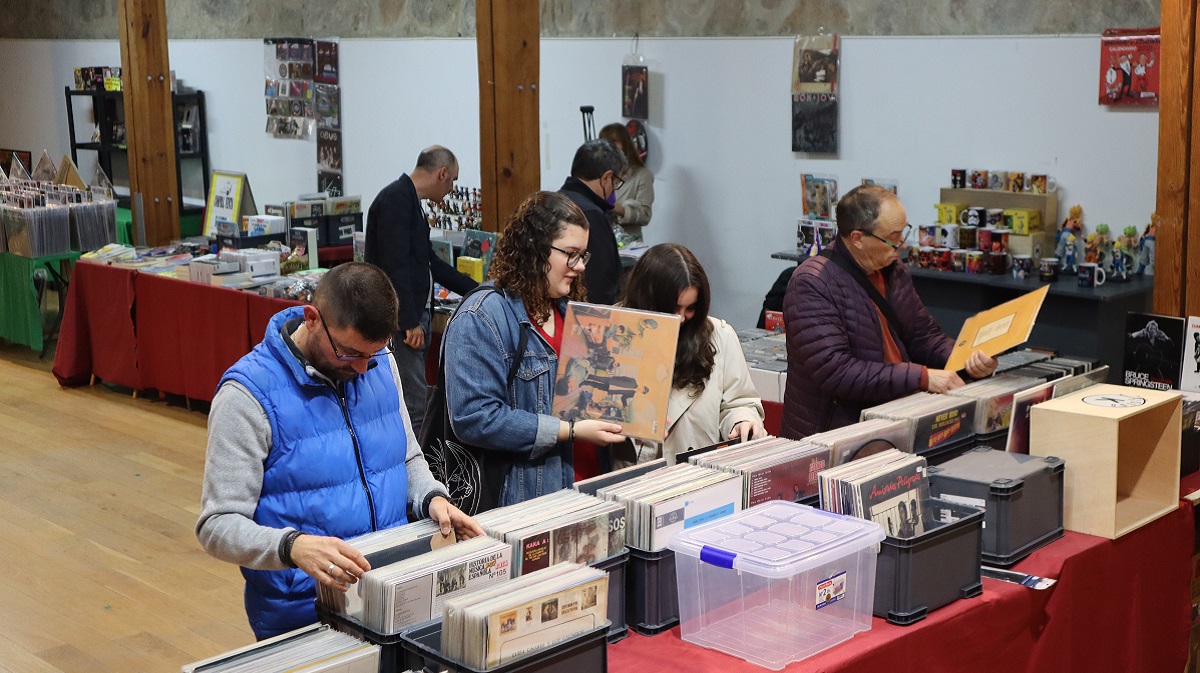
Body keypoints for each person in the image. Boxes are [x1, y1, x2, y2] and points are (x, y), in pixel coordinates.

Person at [196, 262, 482, 640]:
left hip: (392, 592)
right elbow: (217, 525)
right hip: (304, 610)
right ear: (312, 319)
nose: (363, 368)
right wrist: (292, 547)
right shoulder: (247, 396)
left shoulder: (381, 363)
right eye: (349, 353)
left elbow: (407, 456)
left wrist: (431, 498)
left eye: (373, 354)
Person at [442, 191, 626, 506]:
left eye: (583, 255)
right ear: (535, 248)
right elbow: (475, 418)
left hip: (588, 488)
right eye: (571, 254)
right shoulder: (482, 316)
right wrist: (569, 430)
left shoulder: (568, 309)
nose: (580, 266)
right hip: (530, 499)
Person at [781, 184, 997, 439]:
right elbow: (837, 372)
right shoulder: (811, 283)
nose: (902, 245)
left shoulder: (894, 271)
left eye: (904, 232)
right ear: (858, 239)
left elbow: (923, 336)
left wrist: (967, 359)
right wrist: (922, 377)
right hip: (835, 434)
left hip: (894, 417)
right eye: (893, 238)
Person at [618, 243, 767, 465]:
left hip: (696, 473)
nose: (681, 318)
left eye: (690, 308)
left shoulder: (719, 336)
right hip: (630, 474)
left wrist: (743, 421)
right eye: (672, 308)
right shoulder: (613, 333)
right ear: (647, 300)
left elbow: (739, 402)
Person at [366, 146, 478, 436]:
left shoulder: (409, 200)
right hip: (404, 322)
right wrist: (408, 321)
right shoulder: (396, 200)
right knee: (414, 405)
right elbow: (395, 266)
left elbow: (431, 263)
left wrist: (478, 290)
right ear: (442, 174)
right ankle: (416, 464)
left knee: (417, 401)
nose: (452, 189)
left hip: (414, 316)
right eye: (453, 180)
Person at [558, 139, 626, 305]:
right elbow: (601, 283)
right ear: (606, 177)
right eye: (616, 183)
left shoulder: (556, 200)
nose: (613, 189)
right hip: (585, 311)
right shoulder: (590, 215)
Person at [598, 123, 655, 243]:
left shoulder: (642, 175)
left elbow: (645, 216)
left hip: (628, 242)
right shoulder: (598, 173)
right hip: (600, 238)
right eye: (605, 144)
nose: (609, 149)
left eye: (614, 143)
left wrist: (616, 207)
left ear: (625, 145)